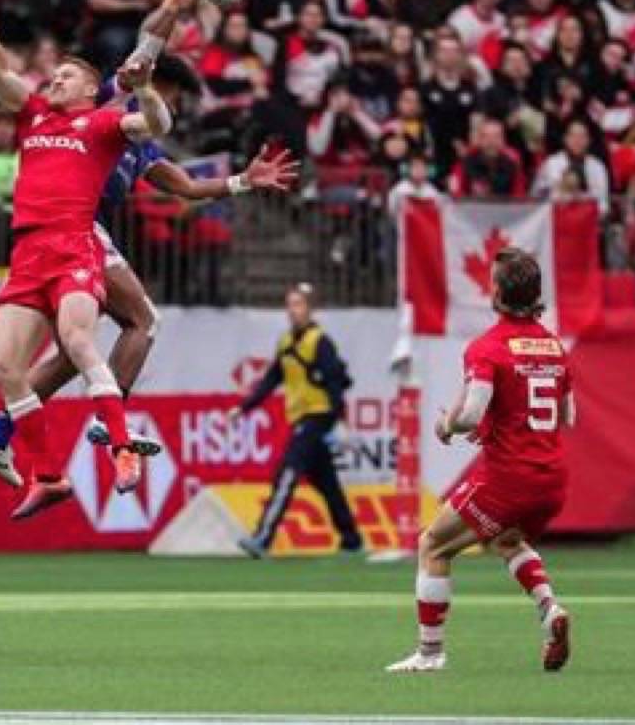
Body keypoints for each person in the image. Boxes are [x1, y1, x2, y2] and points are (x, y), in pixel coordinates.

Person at [0, 3, 176, 519]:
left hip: (73, 246)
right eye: (54, 74)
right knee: (7, 371)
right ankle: (49, 476)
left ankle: (119, 446)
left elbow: (158, 124)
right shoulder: (34, 114)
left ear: (88, 90)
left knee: (76, 341)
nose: (55, 80)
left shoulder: (101, 124)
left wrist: (143, 86)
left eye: (66, 75)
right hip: (27, 253)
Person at [387, 247, 573, 673]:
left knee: (432, 544)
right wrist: (503, 420)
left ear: (498, 294)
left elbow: (470, 413)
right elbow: (568, 416)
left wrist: (446, 426)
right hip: (552, 479)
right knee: (505, 541)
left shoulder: (488, 347)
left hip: (510, 478)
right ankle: (550, 609)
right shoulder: (553, 346)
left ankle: (430, 654)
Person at [228, 283, 363, 559]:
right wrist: (244, 408)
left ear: (311, 309)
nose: (292, 311)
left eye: (299, 304)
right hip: (302, 418)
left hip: (318, 417)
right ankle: (351, 539)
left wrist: (339, 420)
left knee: (287, 472)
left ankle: (263, 537)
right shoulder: (286, 342)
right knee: (327, 483)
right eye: (290, 304)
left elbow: (336, 383)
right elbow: (271, 379)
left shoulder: (319, 342)